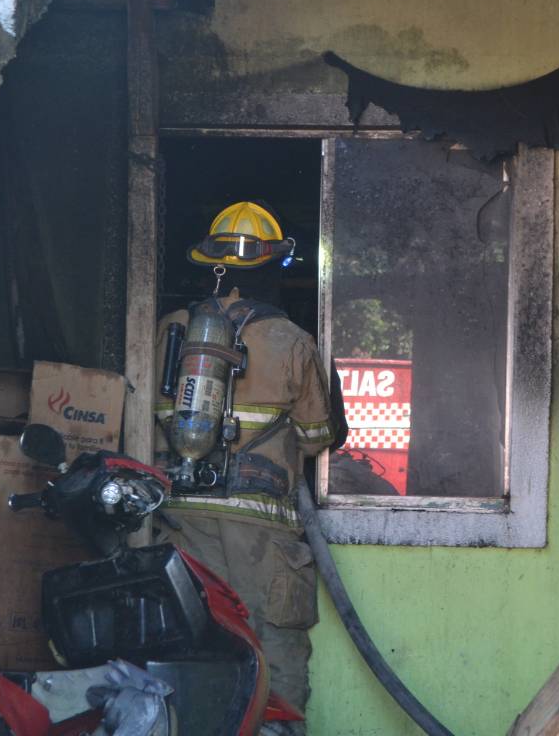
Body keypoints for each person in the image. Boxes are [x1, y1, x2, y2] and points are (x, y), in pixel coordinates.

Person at [152, 201, 336, 734]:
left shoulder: (168, 329)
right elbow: (319, 437)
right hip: (263, 541)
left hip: (182, 527)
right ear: (269, 267)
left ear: (211, 263)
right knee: (273, 658)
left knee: (186, 655)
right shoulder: (292, 342)